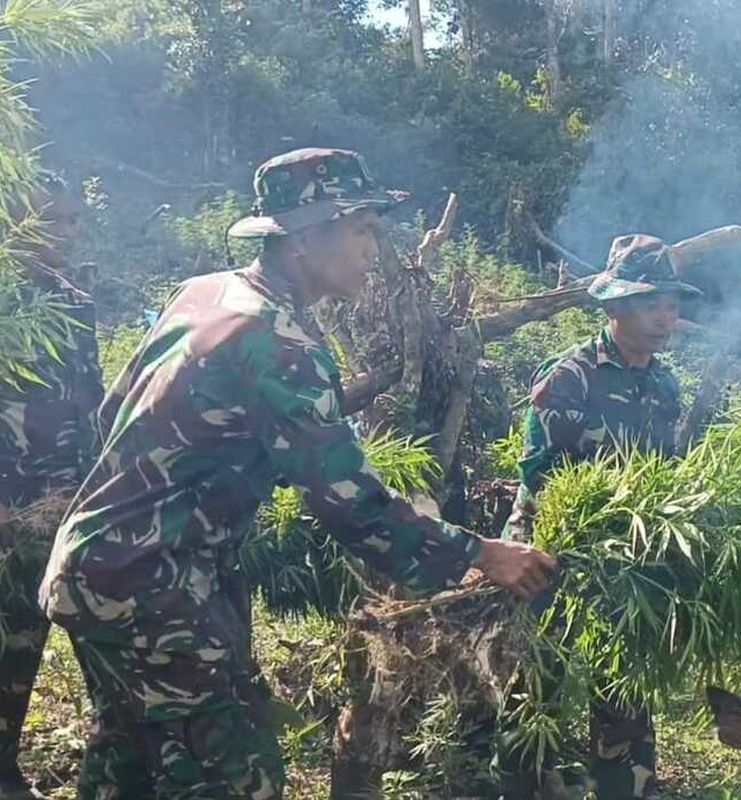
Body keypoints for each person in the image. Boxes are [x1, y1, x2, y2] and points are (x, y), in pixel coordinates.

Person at [37, 147, 557, 800]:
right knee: (237, 779)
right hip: (156, 589)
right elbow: (349, 503)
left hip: (96, 568)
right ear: (306, 237)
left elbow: (115, 413)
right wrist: (481, 554)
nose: (374, 249)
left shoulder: (204, 294)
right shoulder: (278, 342)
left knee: (128, 768)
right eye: (361, 229)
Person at [498, 234, 702, 800]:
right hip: (549, 554)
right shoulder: (570, 375)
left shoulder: (663, 384)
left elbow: (665, 469)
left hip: (624, 562)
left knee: (624, 683)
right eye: (650, 304)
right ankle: (520, 788)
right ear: (615, 306)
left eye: (672, 306)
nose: (664, 318)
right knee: (535, 685)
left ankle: (624, 788)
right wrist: (608, 513)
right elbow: (540, 473)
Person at [0, 171, 102, 800]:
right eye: (53, 219)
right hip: (9, 501)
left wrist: (96, 482)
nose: (67, 232)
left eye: (73, 219)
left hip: (63, 498)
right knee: (10, 635)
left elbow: (90, 398)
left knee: (38, 631)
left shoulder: (74, 302)